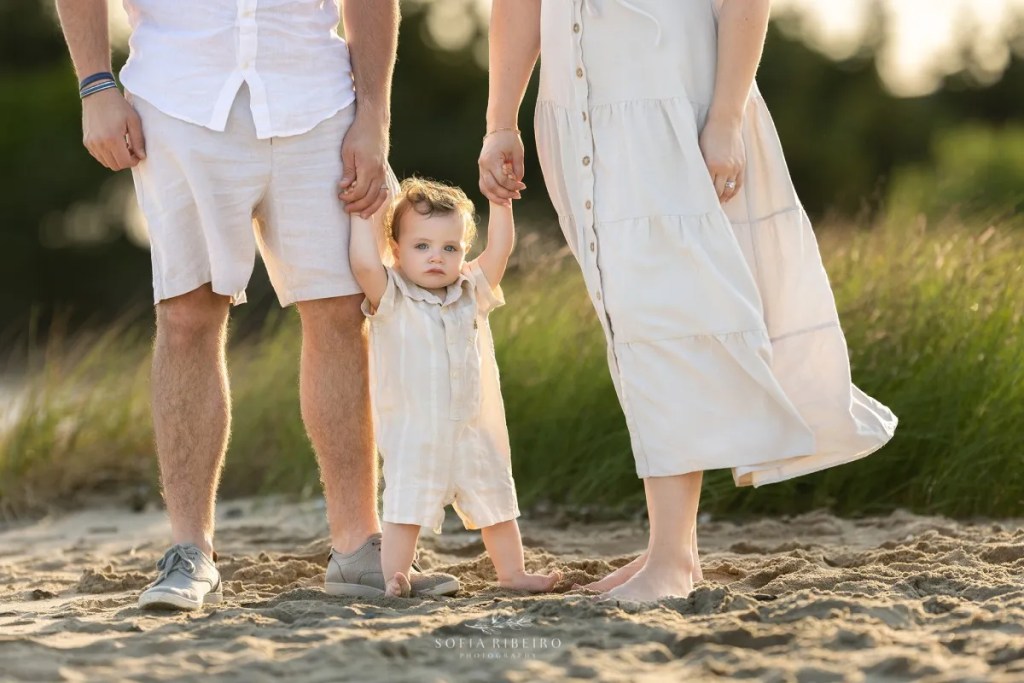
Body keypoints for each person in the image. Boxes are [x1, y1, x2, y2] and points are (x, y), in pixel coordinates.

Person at [479, 0, 898, 602]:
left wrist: (726, 116)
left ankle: (672, 558)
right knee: (634, 325)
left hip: (675, 113)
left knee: (668, 317)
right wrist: (500, 121)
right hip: (579, 118)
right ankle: (672, 551)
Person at [55, 0, 458, 610]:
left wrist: (373, 115)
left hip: (319, 101)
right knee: (187, 314)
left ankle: (358, 548)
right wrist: (94, 83)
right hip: (176, 98)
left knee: (341, 314)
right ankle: (190, 551)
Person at [348, 175, 561, 597]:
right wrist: (361, 215)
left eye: (450, 248)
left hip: (473, 427)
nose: (436, 257)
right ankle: (395, 577)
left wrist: (501, 204)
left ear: (463, 252)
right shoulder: (393, 297)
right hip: (416, 431)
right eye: (421, 246)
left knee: (495, 499)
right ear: (397, 250)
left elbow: (499, 251)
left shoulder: (470, 291)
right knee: (406, 507)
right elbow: (364, 264)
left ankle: (512, 573)